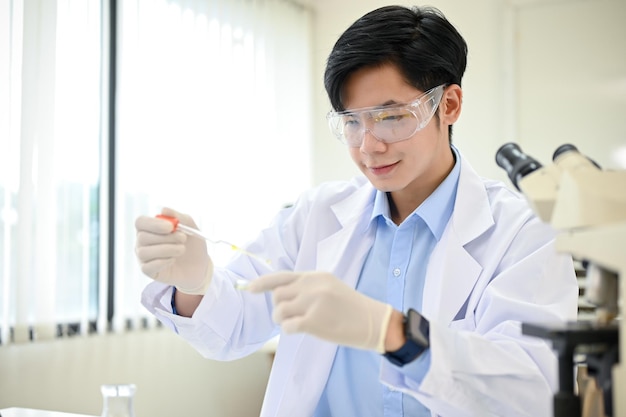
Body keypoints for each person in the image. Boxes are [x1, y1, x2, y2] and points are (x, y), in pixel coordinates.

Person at [135, 5, 579, 417]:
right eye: (351, 121)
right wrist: (194, 282)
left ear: (449, 104)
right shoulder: (317, 216)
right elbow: (232, 330)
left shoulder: (523, 235)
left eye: (390, 117)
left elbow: (531, 393)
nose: (368, 145)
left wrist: (391, 333)